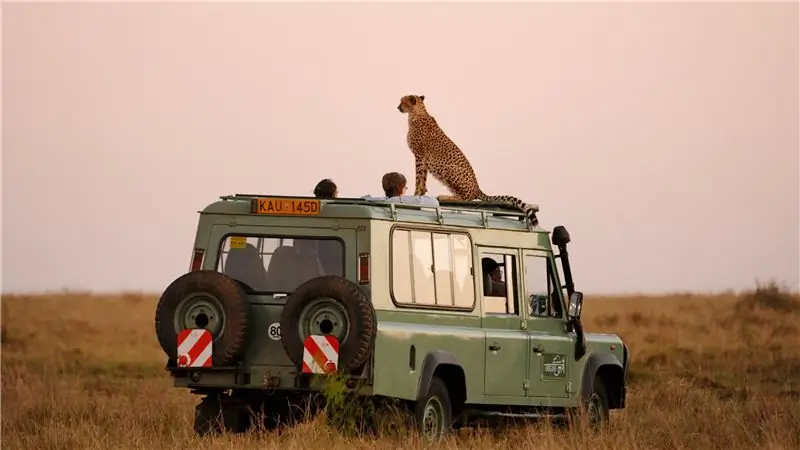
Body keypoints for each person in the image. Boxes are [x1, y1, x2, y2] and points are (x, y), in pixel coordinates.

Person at [361, 172, 439, 206]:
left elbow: (365, 198)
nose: (405, 190)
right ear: (399, 188)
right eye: (405, 187)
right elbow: (434, 202)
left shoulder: (379, 202)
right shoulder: (401, 202)